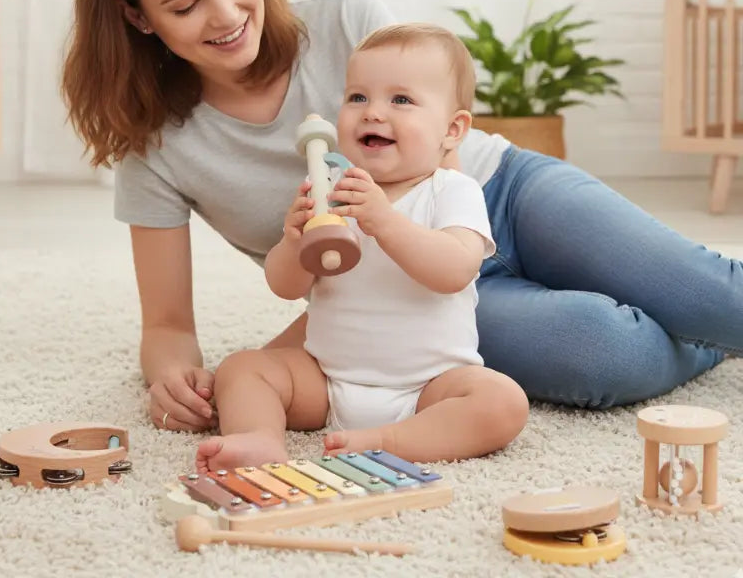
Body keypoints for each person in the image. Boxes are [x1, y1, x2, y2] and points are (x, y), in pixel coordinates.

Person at [62, 0, 743, 434]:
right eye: (186, 5)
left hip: (498, 192)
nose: (227, 13)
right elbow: (168, 324)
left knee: (705, 289)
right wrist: (175, 378)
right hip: (409, 299)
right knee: (601, 349)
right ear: (137, 16)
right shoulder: (153, 145)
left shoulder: (344, 19)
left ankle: (700, 317)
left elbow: (443, 162)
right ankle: (702, 341)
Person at [193, 23, 528, 470]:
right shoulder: (329, 188)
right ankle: (259, 438)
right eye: (357, 97)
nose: (372, 113)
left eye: (400, 100)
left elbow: (455, 270)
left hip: (429, 387)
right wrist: (293, 243)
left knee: (502, 401)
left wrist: (385, 222)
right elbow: (285, 287)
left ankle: (389, 440)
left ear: (452, 130)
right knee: (241, 368)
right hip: (327, 378)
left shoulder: (452, 190)